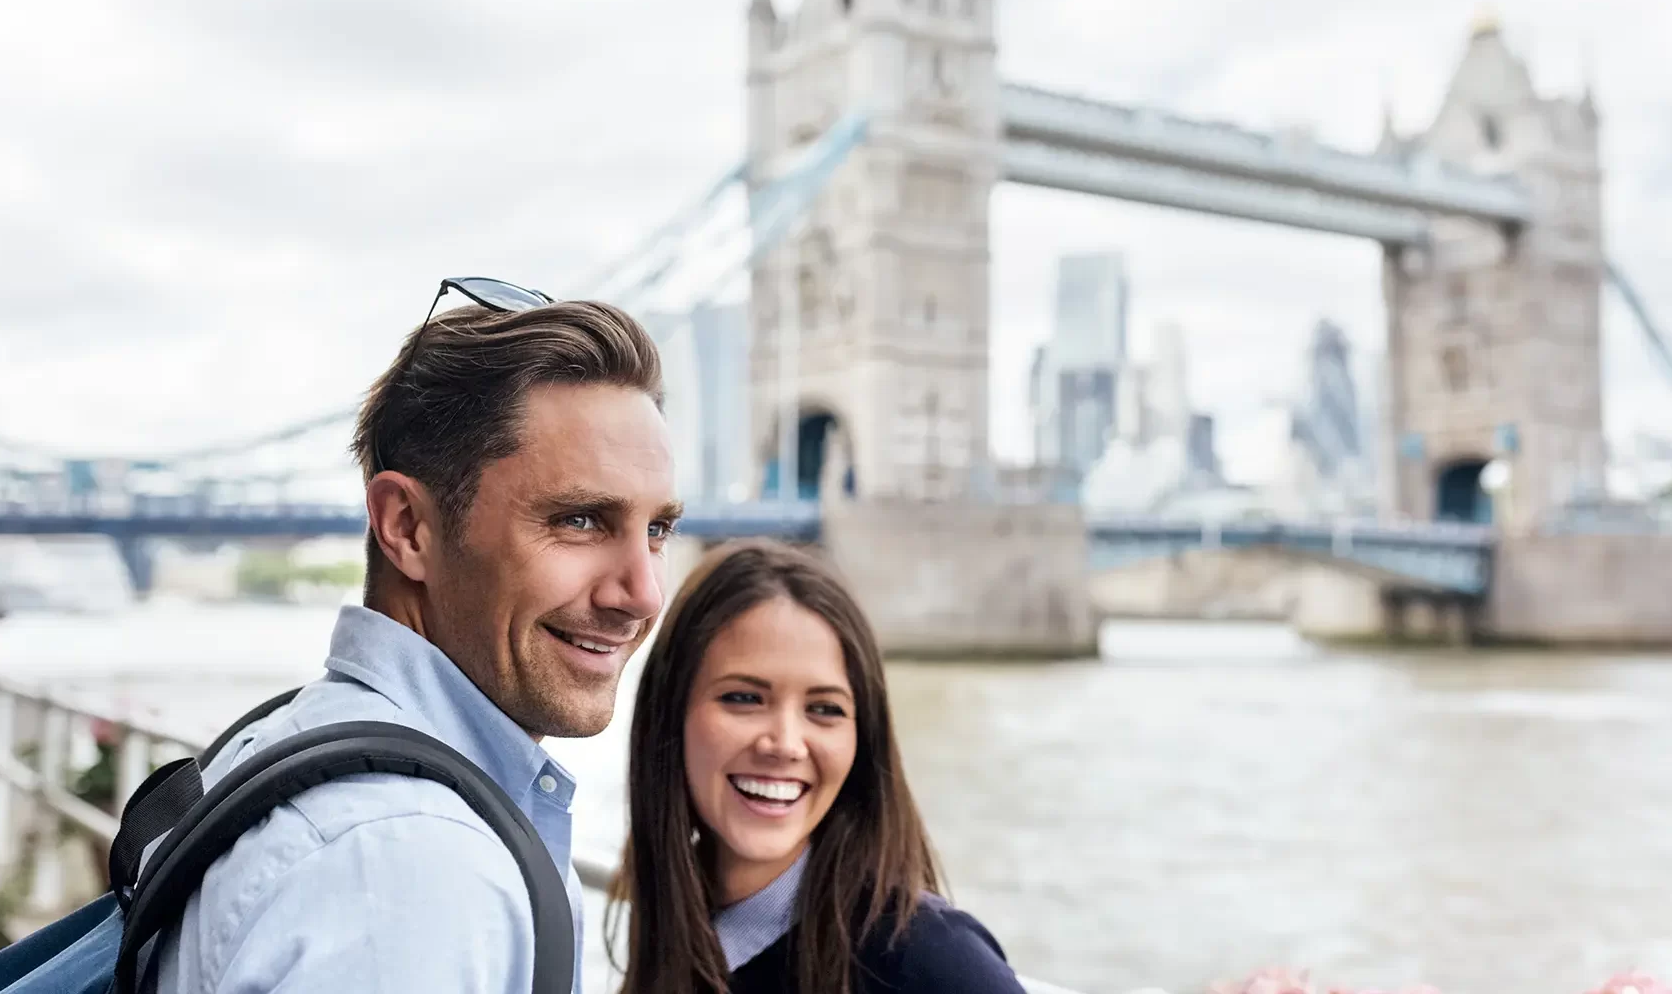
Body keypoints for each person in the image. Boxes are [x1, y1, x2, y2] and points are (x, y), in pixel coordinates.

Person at [152, 278, 682, 993]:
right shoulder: (413, 869)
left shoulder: (285, 742)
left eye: (656, 530)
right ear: (406, 527)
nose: (643, 594)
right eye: (579, 520)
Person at [606, 539, 1029, 994]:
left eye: (825, 709)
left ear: (862, 739)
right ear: (669, 713)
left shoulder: (931, 960)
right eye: (744, 698)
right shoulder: (678, 930)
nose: (785, 745)